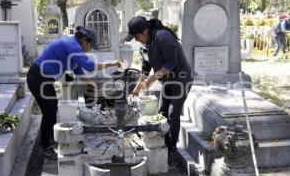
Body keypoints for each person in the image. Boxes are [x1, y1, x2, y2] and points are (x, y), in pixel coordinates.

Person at [27, 26, 122, 160]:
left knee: (52, 109)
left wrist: (92, 84)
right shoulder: (71, 44)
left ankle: (48, 142)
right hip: (37, 77)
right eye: (90, 45)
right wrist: (112, 63)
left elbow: (78, 71)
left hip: (44, 79)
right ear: (84, 40)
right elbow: (89, 66)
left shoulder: (73, 48)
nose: (90, 48)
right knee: (49, 112)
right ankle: (45, 147)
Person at [124, 16, 193, 154]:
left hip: (181, 80)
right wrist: (136, 89)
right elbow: (145, 68)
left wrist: (151, 79)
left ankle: (172, 147)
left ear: (145, 31)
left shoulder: (162, 37)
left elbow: (171, 63)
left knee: (173, 114)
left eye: (137, 37)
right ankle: (163, 141)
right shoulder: (145, 45)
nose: (136, 40)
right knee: (162, 111)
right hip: (167, 81)